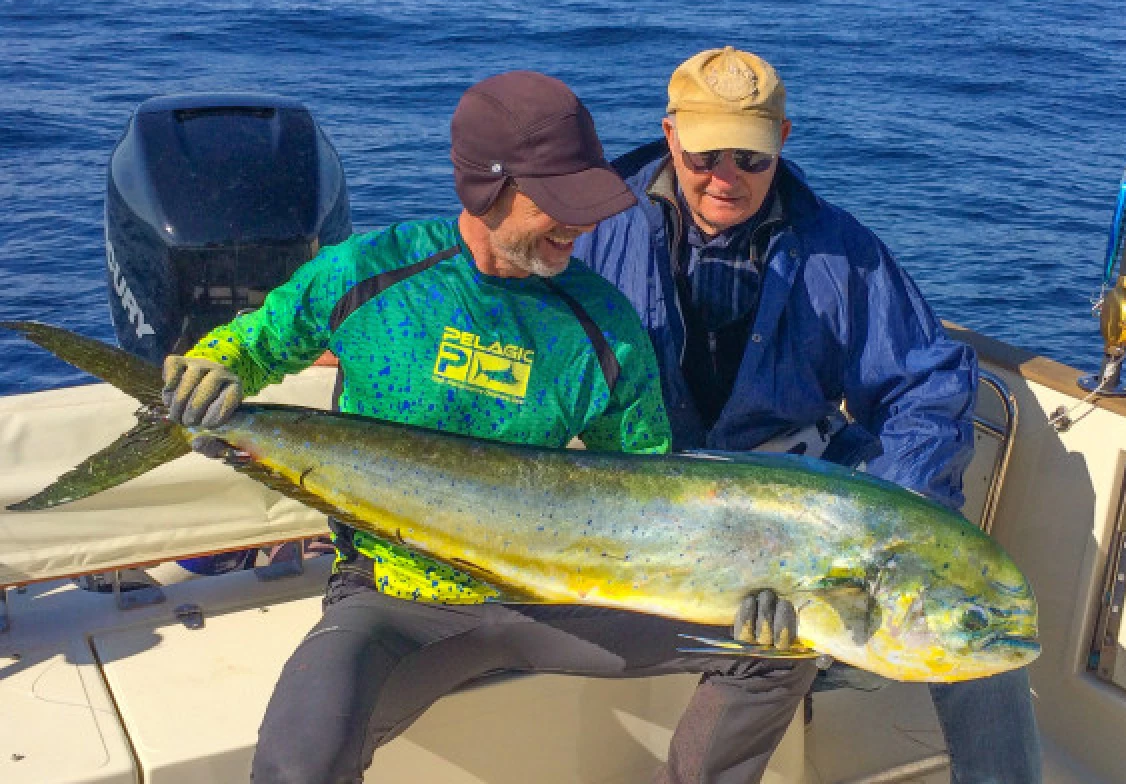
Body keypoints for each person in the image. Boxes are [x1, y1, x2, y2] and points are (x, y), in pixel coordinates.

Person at [162, 70, 820, 784]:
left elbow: (650, 493)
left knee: (780, 650)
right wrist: (212, 369)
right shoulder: (372, 274)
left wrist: (741, 583)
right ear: (488, 187)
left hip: (561, 598)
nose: (583, 223)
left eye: (587, 200)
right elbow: (255, 344)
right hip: (394, 597)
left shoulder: (605, 325)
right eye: (559, 203)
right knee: (296, 766)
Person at [573, 47, 1042, 783]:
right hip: (647, 491)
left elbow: (926, 382)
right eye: (705, 155)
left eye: (751, 160)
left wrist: (897, 521)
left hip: (801, 490)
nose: (726, 176)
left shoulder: (841, 250)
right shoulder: (596, 228)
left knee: (978, 635)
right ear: (670, 136)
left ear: (782, 143)